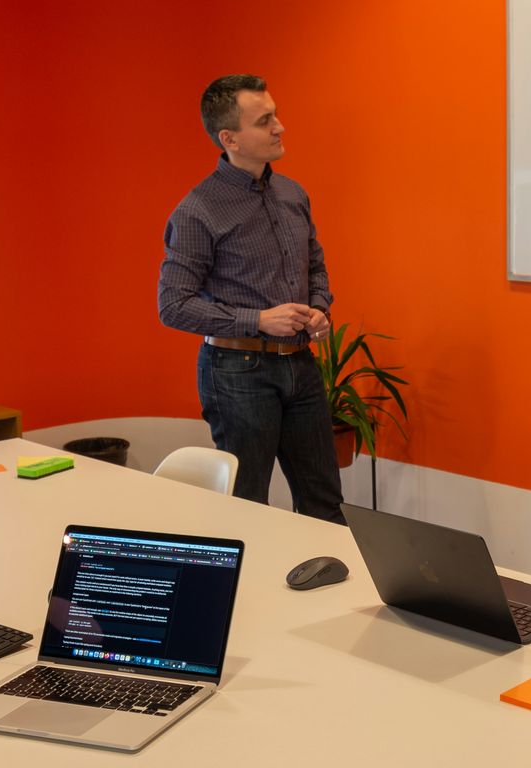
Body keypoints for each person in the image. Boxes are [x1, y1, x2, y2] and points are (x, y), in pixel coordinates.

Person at [158, 74, 344, 524]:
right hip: (237, 373)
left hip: (299, 364)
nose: (280, 127)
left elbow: (314, 265)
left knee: (325, 503)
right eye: (265, 121)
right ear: (230, 138)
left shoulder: (292, 194)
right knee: (246, 508)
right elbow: (173, 305)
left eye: (275, 115)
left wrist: (319, 307)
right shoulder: (197, 211)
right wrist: (258, 319)